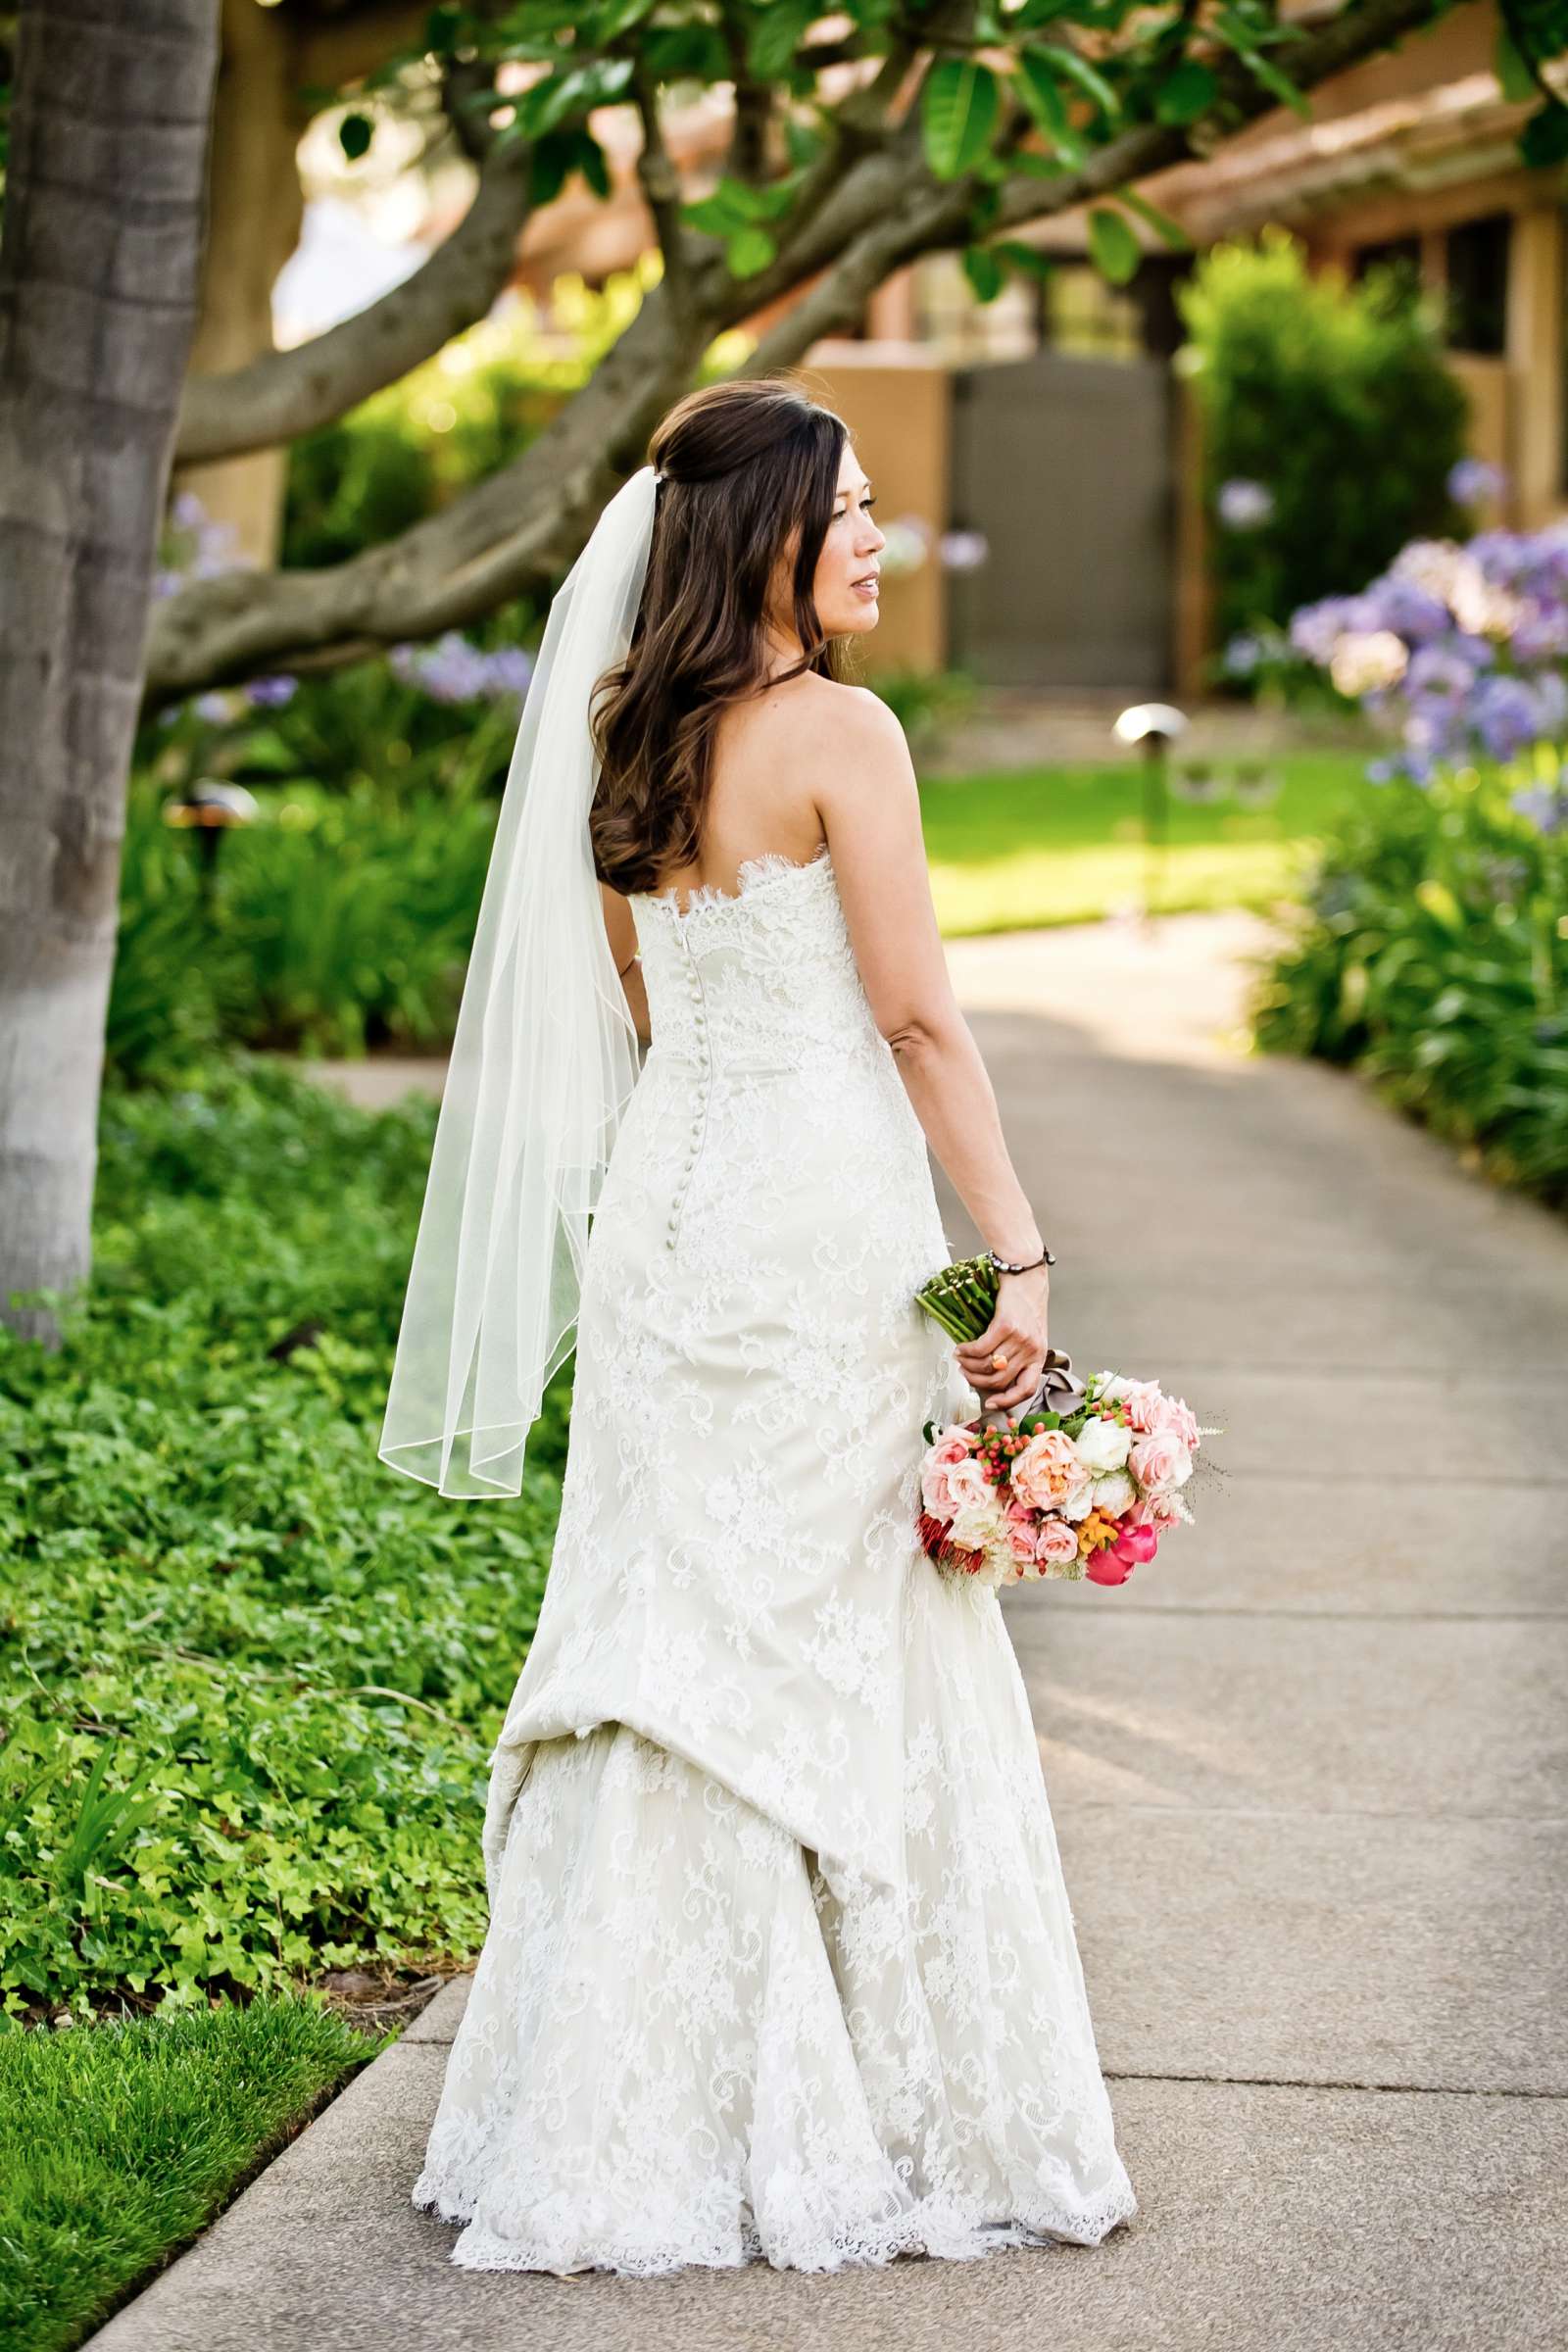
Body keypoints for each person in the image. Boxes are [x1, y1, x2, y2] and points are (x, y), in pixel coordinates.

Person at [380, 373, 1137, 2277]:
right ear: (769, 540)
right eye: (853, 508)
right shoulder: (839, 735)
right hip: (812, 1234)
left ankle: (605, 2118)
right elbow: (914, 1021)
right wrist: (1018, 1256)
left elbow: (642, 1006)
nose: (880, 536)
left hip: (667, 1229)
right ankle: (847, 2116)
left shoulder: (627, 727)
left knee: (671, 1637)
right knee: (825, 1650)